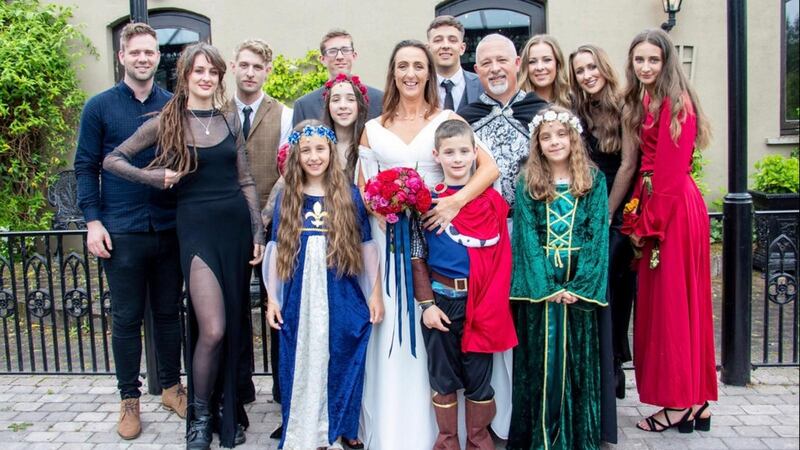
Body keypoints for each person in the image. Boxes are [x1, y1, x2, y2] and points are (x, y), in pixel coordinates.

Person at [103, 43, 265, 449]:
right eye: (198, 71)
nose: (206, 78)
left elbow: (244, 180)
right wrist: (154, 178)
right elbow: (114, 160)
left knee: (234, 327)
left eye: (212, 72)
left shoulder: (229, 119)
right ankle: (200, 415)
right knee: (211, 328)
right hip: (195, 231)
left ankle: (228, 408)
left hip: (234, 229)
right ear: (185, 76)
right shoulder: (166, 119)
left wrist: (257, 232)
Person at [357, 39, 499, 450]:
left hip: (436, 238)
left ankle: (451, 434)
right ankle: (395, 427)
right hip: (390, 241)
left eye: (418, 66)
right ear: (393, 72)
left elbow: (486, 168)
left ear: (428, 72)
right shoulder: (373, 127)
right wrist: (377, 206)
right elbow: (360, 185)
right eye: (403, 66)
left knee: (438, 337)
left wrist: (455, 201)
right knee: (392, 333)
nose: (411, 73)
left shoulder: (447, 119)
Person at [73, 22, 186, 441]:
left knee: (169, 312)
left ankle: (172, 388)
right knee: (124, 319)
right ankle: (129, 400)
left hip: (168, 227)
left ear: (158, 58)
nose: (143, 59)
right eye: (135, 52)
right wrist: (93, 220)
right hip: (121, 230)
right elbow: (85, 166)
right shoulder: (100, 107)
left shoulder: (174, 104)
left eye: (150, 53)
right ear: (122, 57)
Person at [263, 120, 382, 450]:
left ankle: (343, 425)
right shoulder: (289, 197)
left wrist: (374, 295)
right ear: (297, 156)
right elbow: (276, 249)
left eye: (320, 149)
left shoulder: (349, 196)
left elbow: (366, 249)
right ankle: (309, 425)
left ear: (331, 151)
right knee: (303, 357)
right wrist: (274, 298)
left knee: (344, 353)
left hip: (340, 290)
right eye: (306, 151)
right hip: (301, 294)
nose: (314, 157)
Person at [621, 28, 717, 433]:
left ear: (666, 62)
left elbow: (672, 174)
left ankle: (678, 405)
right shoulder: (647, 99)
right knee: (680, 305)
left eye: (653, 60)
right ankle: (696, 401)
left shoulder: (677, 104)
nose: (645, 67)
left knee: (673, 309)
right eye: (639, 60)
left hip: (672, 210)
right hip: (661, 203)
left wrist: (647, 224)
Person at [410, 119, 516, 450]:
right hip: (441, 303)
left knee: (479, 382)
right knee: (442, 380)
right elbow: (417, 255)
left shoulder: (490, 201)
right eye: (449, 152)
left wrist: (494, 303)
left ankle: (479, 442)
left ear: (475, 154)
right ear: (436, 155)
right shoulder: (425, 201)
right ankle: (447, 442)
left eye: (463, 152)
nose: (457, 159)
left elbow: (502, 258)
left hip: (480, 304)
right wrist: (426, 305)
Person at [507, 106, 609, 450]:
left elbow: (597, 236)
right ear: (537, 143)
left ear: (573, 138)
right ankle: (541, 438)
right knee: (541, 365)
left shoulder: (593, 181)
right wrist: (547, 287)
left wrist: (579, 286)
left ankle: (576, 438)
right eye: (546, 136)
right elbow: (527, 237)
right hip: (542, 289)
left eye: (561, 134)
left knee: (575, 365)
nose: (554, 142)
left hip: (578, 289)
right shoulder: (528, 183)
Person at [568, 43, 639, 443]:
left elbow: (628, 164)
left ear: (604, 67)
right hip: (583, 212)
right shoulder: (579, 111)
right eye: (579, 70)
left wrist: (607, 214)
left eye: (592, 66)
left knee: (611, 295)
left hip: (613, 212)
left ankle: (612, 374)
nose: (587, 74)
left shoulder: (624, 107)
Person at [227, 38, 292, 440]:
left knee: (277, 308)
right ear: (234, 67)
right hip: (228, 227)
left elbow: (287, 172)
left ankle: (283, 390)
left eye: (258, 67)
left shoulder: (282, 114)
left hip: (273, 223)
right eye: (245, 65)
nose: (250, 72)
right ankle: (239, 387)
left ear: (267, 71)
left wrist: (263, 216)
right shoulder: (216, 113)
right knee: (233, 309)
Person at [460, 34, 548, 209]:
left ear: (517, 63)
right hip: (482, 221)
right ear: (477, 70)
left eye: (501, 60)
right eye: (486, 63)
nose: (494, 68)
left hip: (535, 218)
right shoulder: (464, 119)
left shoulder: (541, 112)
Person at [292, 29, 383, 125]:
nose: (340, 57)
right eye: (332, 51)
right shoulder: (304, 106)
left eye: (345, 50)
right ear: (322, 59)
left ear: (354, 56)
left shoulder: (379, 100)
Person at [426, 15, 483, 112]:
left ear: (462, 48)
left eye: (452, 40)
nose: (445, 46)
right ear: (428, 49)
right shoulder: (420, 86)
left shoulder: (482, 85)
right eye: (438, 40)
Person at [322, 72, 370, 182]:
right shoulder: (319, 146)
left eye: (350, 99)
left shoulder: (370, 145)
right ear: (328, 106)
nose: (343, 106)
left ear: (360, 105)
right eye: (335, 100)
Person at [518, 34, 572, 108]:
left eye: (547, 60)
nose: (539, 67)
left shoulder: (574, 103)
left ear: (558, 64)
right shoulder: (517, 105)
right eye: (532, 62)